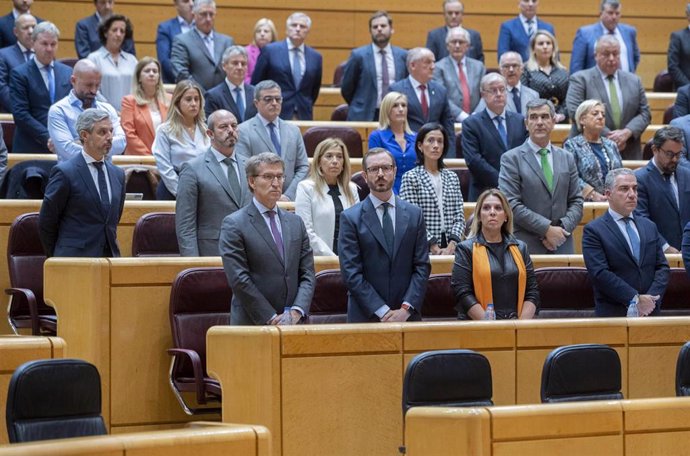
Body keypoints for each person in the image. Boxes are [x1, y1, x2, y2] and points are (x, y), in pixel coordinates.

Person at [219, 152, 315, 325]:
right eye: (268, 177)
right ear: (251, 181)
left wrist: (297, 310)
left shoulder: (295, 222)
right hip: (253, 323)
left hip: (295, 322)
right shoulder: (234, 224)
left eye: (280, 176)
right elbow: (239, 279)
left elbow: (307, 273)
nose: (276, 183)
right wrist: (270, 317)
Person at [339, 147, 431, 323]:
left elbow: (422, 266)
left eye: (386, 168)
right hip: (366, 316)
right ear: (365, 176)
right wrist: (382, 311)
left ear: (395, 171)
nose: (380, 174)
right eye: (374, 169)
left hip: (407, 316)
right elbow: (351, 273)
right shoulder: (350, 218)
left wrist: (406, 309)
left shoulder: (415, 214)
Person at [498, 99, 583, 254]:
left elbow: (576, 200)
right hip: (526, 245)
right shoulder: (511, 159)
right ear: (526, 123)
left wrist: (560, 231)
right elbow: (510, 203)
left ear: (553, 121)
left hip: (562, 243)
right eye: (533, 117)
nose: (539, 122)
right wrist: (546, 230)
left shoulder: (567, 157)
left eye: (544, 117)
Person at [38, 108, 126, 257]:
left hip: (109, 260)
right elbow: (47, 221)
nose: (110, 137)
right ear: (85, 135)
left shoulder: (118, 174)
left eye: (111, 131)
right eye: (102, 132)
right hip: (73, 261)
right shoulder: (65, 172)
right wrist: (58, 258)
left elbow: (113, 219)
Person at [583, 168, 669, 317]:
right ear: (608, 194)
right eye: (624, 189)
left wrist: (650, 300)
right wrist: (635, 299)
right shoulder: (594, 230)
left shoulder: (649, 226)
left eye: (635, 189)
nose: (632, 194)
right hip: (614, 313)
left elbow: (662, 267)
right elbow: (600, 274)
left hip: (651, 311)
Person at [451, 188, 539, 320]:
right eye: (486, 208)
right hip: (480, 327)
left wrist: (520, 326)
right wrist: (491, 325)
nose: (492, 212)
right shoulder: (465, 249)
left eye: (498, 208)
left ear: (506, 216)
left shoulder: (521, 248)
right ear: (479, 216)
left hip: (518, 326)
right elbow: (463, 293)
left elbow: (532, 292)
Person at [176, 109, 251, 256]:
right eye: (223, 127)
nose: (231, 130)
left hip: (250, 253)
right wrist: (193, 264)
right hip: (212, 252)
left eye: (234, 126)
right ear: (210, 134)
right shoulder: (192, 169)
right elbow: (185, 224)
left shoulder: (250, 166)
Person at [566, 34, 650, 160]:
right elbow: (575, 112)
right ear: (596, 55)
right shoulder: (580, 79)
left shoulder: (634, 80)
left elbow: (645, 113)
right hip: (589, 150)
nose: (611, 58)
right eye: (606, 54)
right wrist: (611, 137)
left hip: (628, 150)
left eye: (616, 54)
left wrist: (627, 132)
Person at [234, 80, 308, 201]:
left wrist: (288, 196)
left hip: (290, 201)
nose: (274, 103)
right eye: (268, 99)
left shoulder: (294, 131)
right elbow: (245, 170)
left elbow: (303, 167)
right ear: (256, 103)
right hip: (259, 200)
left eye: (278, 99)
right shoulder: (243, 131)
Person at [400, 122, 465, 254]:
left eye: (440, 141)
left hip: (452, 248)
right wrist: (432, 245)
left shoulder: (452, 177)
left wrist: (453, 244)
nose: (436, 146)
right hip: (421, 248)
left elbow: (459, 216)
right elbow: (411, 219)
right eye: (430, 141)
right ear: (420, 146)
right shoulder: (411, 177)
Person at [463, 73, 528, 201]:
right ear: (482, 95)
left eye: (502, 89)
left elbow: (526, 153)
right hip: (484, 192)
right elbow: (474, 160)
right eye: (493, 90)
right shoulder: (471, 124)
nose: (498, 94)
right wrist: (503, 182)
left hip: (518, 191)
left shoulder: (520, 121)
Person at [9, 21, 72, 154]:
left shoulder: (67, 72)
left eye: (53, 44)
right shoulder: (20, 74)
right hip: (30, 146)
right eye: (44, 44)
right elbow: (21, 114)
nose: (49, 49)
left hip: (63, 146)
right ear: (33, 44)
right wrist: (48, 137)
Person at [48, 59, 126, 161]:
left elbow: (121, 142)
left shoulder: (107, 109)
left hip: (104, 173)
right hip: (73, 175)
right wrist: (104, 144)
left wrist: (82, 143)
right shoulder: (58, 110)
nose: (94, 91)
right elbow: (68, 151)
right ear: (73, 81)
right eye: (89, 85)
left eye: (97, 85)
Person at [251, 12, 323, 120]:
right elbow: (257, 83)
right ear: (287, 29)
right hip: (274, 112)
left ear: (307, 31)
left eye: (302, 26)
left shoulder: (316, 57)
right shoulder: (270, 51)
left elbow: (314, 90)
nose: (298, 29)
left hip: (303, 114)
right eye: (294, 25)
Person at [295, 138, 359, 256]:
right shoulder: (306, 188)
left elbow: (357, 228)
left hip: (349, 258)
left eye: (339, 157)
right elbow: (306, 232)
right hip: (318, 259)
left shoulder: (352, 189)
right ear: (319, 161)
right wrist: (332, 259)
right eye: (329, 156)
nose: (335, 161)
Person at [340, 10, 408, 121]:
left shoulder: (403, 55)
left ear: (391, 29)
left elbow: (406, 85)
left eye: (383, 26)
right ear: (370, 31)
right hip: (364, 114)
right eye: (375, 27)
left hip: (395, 114)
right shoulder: (358, 55)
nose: (379, 29)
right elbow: (347, 88)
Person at [388, 47, 456, 153]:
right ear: (413, 65)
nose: (433, 67)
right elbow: (391, 124)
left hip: (436, 151)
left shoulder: (440, 90)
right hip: (408, 150)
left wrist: (450, 153)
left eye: (434, 62)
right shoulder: (397, 89)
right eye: (428, 62)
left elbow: (448, 124)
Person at [635, 126, 690, 253]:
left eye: (679, 154)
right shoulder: (640, 179)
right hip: (657, 255)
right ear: (655, 149)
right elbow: (642, 219)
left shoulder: (687, 175)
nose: (675, 159)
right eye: (670, 154)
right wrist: (665, 247)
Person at [152, 80, 208, 199]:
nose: (193, 103)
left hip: (202, 188)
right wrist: (182, 192)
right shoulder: (165, 130)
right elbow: (164, 166)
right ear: (177, 102)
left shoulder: (205, 130)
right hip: (173, 189)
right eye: (188, 99)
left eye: (196, 99)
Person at [563, 99, 622, 203]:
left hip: (614, 202)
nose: (600, 117)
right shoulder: (572, 145)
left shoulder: (611, 145)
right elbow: (570, 176)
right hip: (585, 203)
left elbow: (620, 173)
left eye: (603, 115)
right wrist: (592, 194)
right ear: (582, 120)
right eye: (595, 114)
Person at [170, 0, 234, 91]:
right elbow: (181, 73)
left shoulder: (227, 41)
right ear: (194, 15)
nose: (208, 19)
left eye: (211, 14)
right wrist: (202, 95)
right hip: (196, 99)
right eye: (203, 14)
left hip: (224, 100)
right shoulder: (182, 41)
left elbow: (233, 71)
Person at [569, 0, 639, 74]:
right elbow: (576, 67)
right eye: (610, 13)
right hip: (594, 84)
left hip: (625, 83)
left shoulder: (629, 32)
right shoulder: (585, 34)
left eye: (617, 13)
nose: (614, 17)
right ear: (600, 14)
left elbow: (635, 58)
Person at [432, 26, 485, 123]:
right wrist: (462, 116)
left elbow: (485, 94)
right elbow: (442, 97)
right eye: (453, 42)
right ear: (447, 46)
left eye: (461, 42)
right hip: (450, 121)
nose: (457, 45)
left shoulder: (479, 67)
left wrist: (475, 116)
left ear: (467, 46)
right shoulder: (438, 67)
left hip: (477, 120)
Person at [368, 91, 416, 194]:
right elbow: (376, 169)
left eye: (403, 105)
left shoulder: (416, 137)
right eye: (395, 106)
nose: (401, 109)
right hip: (387, 192)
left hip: (415, 192)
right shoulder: (377, 137)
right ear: (386, 110)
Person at [86, 14, 137, 111]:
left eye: (122, 31)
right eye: (114, 30)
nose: (118, 34)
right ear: (105, 33)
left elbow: (138, 88)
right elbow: (92, 90)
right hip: (103, 115)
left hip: (130, 115)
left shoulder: (132, 60)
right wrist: (110, 111)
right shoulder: (93, 59)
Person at [120, 57, 169, 155]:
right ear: (139, 77)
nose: (151, 74)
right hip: (139, 161)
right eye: (147, 71)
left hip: (166, 159)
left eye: (155, 71)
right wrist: (150, 158)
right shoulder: (129, 101)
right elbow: (129, 134)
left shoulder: (169, 100)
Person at [521, 30, 568, 123]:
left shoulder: (562, 71)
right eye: (541, 44)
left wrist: (562, 115)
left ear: (553, 48)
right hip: (537, 120)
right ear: (533, 49)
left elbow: (568, 98)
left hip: (561, 121)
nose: (545, 47)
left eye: (548, 43)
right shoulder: (526, 70)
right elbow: (525, 97)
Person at [474, 51, 538, 115]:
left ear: (522, 69)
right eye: (506, 66)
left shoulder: (533, 95)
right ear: (500, 70)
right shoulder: (491, 95)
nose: (511, 70)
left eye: (515, 65)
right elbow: (477, 117)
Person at [204, 46, 257, 122]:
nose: (240, 67)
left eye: (243, 64)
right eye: (235, 63)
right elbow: (210, 126)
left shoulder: (255, 92)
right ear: (224, 66)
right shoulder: (213, 96)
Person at [0, 13, 36, 112]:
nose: (31, 31)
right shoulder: (3, 55)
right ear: (16, 32)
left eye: (34, 27)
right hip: (13, 113)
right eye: (25, 28)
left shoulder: (44, 54)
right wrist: (20, 109)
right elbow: (2, 88)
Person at [156, 0, 194, 84]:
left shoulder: (203, 27)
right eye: (186, 1)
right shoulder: (165, 28)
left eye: (194, 0)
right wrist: (186, 80)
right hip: (174, 85)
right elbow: (164, 61)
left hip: (201, 86)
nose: (191, 4)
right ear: (176, 5)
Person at [244, 18, 276, 84]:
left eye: (266, 31)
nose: (262, 34)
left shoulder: (278, 52)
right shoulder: (246, 51)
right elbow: (244, 76)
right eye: (258, 31)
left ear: (272, 35)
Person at [669, 4, 690, 89]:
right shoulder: (678, 37)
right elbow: (673, 66)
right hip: (685, 90)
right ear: (688, 16)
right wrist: (688, 87)